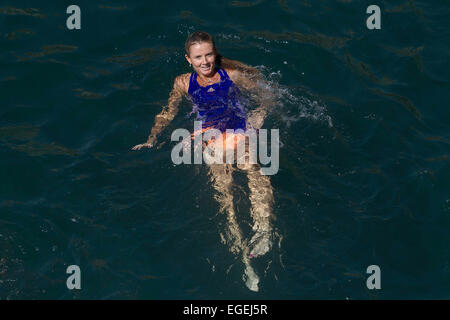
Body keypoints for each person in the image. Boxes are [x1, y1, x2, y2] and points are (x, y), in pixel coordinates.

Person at [131, 31, 276, 292]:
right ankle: (243, 257)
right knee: (225, 197)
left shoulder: (232, 75)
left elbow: (269, 96)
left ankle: (264, 230)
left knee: (254, 175)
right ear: (189, 59)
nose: (205, 61)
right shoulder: (182, 84)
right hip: (211, 140)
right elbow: (167, 113)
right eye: (198, 57)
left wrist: (259, 114)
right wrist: (152, 139)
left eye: (209, 54)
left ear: (215, 53)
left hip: (238, 131)